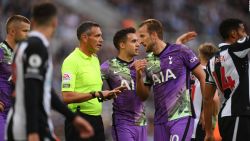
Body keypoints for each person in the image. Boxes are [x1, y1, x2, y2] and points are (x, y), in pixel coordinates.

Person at [5, 3, 94, 141]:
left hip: (24, 122)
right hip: (28, 126)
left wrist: (73, 118)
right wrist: (32, 131)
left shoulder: (23, 45)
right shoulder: (37, 46)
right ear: (55, 22)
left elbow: (43, 89)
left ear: (33, 22)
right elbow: (32, 88)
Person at [134, 19, 206, 141]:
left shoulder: (180, 51)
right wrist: (138, 76)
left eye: (142, 36)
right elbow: (143, 96)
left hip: (181, 116)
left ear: (154, 35)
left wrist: (206, 110)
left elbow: (204, 77)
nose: (139, 41)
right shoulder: (149, 61)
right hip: (160, 122)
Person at [61, 21, 125, 141]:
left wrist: (105, 95)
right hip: (78, 120)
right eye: (97, 36)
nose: (101, 40)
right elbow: (67, 96)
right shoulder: (71, 61)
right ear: (84, 38)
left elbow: (93, 92)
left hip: (96, 119)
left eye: (101, 36)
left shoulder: (95, 59)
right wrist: (97, 94)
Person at [204, 19, 248, 141]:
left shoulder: (211, 61)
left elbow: (207, 98)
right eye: (243, 31)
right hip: (238, 114)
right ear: (234, 34)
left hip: (229, 115)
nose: (245, 34)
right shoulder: (236, 50)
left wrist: (208, 132)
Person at [101, 27, 147, 141]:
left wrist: (139, 75)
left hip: (141, 123)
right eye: (133, 41)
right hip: (122, 123)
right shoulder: (107, 66)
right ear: (122, 45)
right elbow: (95, 89)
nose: (138, 44)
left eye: (138, 41)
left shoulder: (140, 65)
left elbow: (144, 96)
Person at [0, 15, 30, 141]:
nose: (28, 35)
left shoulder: (21, 57)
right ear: (12, 31)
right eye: (25, 31)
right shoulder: (1, 50)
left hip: (13, 114)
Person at [190, 43, 220, 141]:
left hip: (184, 123)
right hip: (200, 124)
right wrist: (212, 116)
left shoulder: (190, 71)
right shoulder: (209, 74)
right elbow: (215, 99)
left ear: (200, 55)